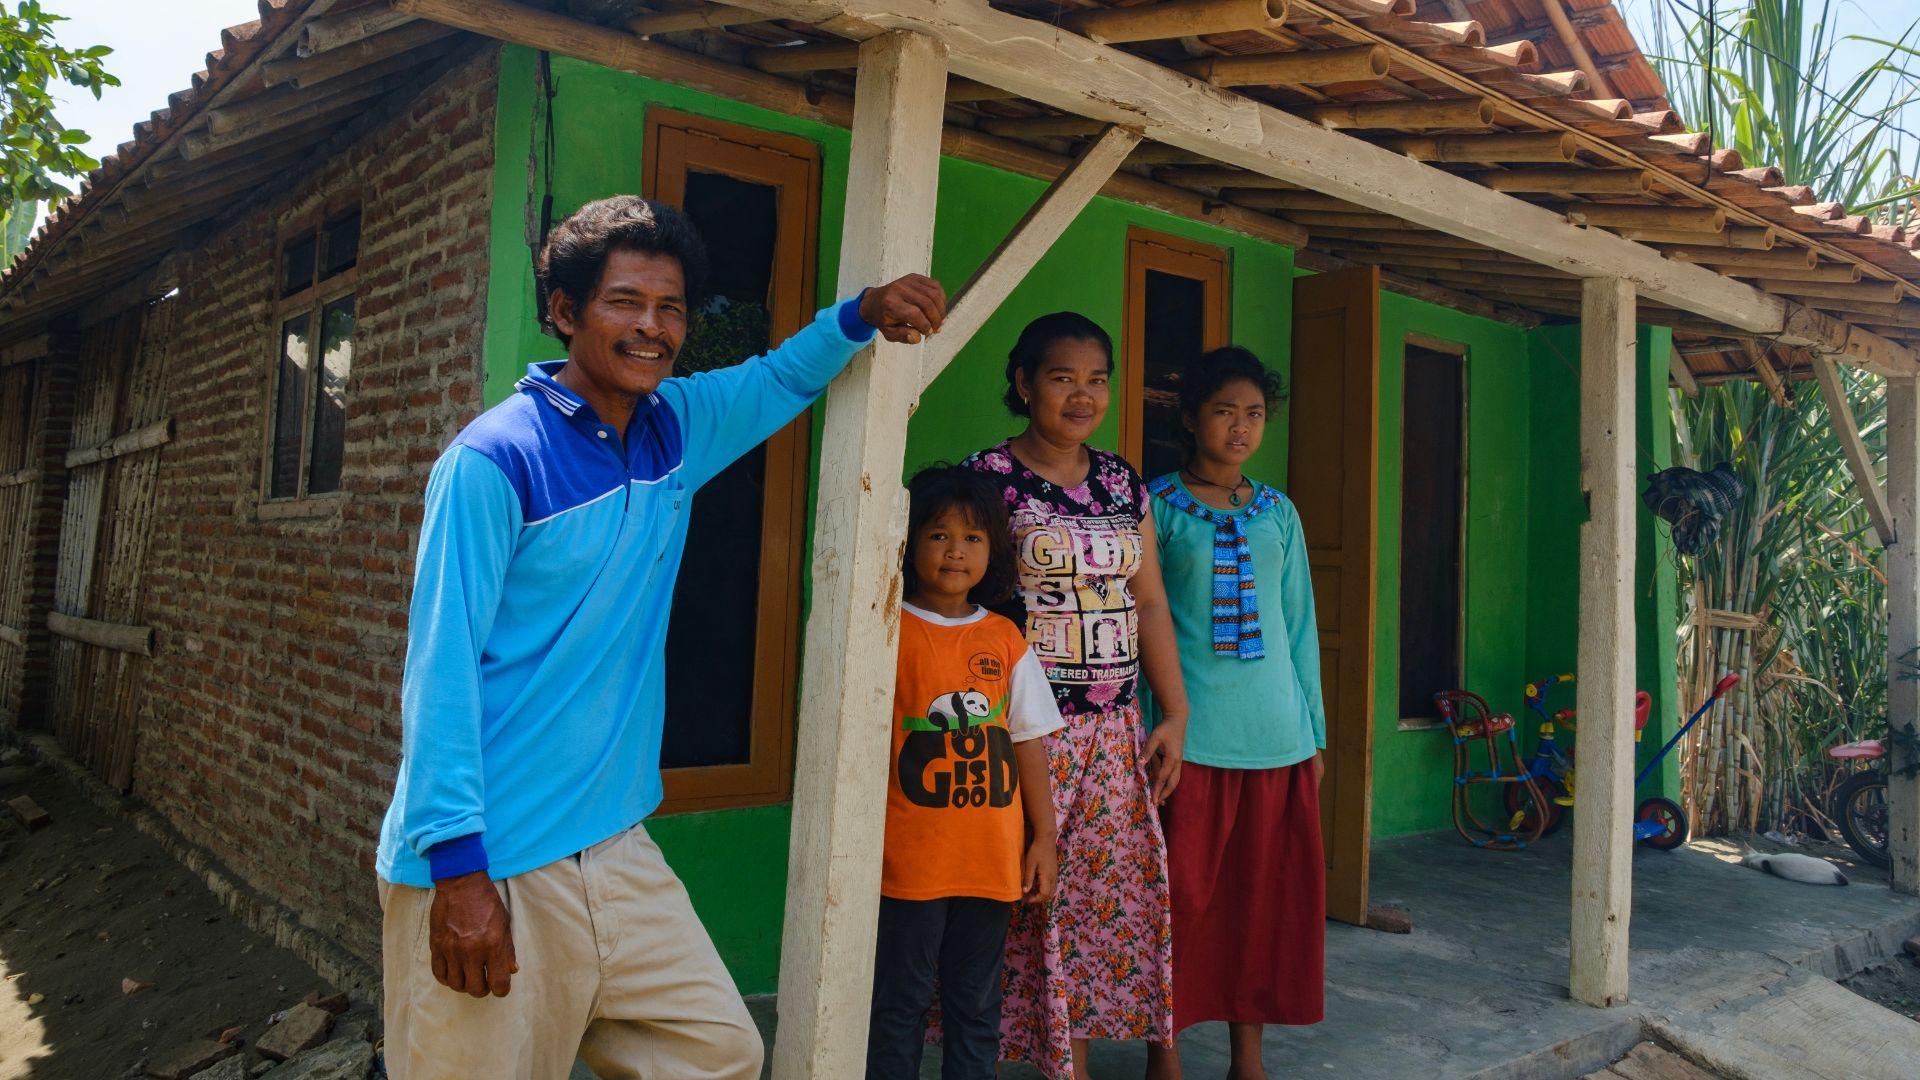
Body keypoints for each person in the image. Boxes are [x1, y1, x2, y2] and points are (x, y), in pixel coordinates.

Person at [373, 195, 947, 1080]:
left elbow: (783, 377)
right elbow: (438, 673)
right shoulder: (494, 462)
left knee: (716, 1052)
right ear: (565, 312)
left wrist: (864, 312)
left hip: (614, 843)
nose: (652, 327)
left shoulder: (675, 428)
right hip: (492, 858)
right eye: (624, 302)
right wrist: (457, 873)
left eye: (671, 308)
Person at [962, 312, 1192, 1080]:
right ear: (1025, 383)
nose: (1083, 394)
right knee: (1030, 898)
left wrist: (1175, 714)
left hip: (1116, 729)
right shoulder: (986, 480)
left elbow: (1150, 601)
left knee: (1104, 900)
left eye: (1098, 378)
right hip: (1026, 729)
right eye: (1063, 377)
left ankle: (1078, 1061)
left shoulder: (1125, 480)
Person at [1144, 347, 1326, 1080]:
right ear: (1191, 418)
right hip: (1193, 744)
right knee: (1179, 904)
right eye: (1225, 411)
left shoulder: (1279, 512)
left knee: (1263, 907)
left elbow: (1301, 626)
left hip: (1276, 741)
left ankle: (1248, 1057)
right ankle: (1167, 1051)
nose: (1241, 427)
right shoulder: (1154, 506)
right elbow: (1140, 626)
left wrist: (1312, 732)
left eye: (1254, 414)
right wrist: (1145, 726)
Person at [867, 465, 1065, 1080]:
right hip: (908, 860)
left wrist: (1044, 838)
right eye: (938, 534)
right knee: (897, 1003)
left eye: (973, 537)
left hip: (989, 861)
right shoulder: (885, 629)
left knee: (976, 1006)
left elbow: (1029, 739)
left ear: (994, 551)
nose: (956, 551)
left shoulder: (1004, 637)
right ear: (908, 540)